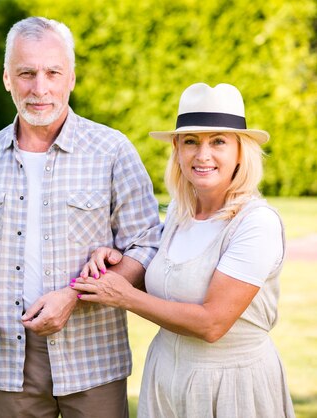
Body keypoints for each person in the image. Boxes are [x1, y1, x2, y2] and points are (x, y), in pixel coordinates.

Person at [0, 16, 162, 418]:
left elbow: (146, 244)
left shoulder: (112, 150)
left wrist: (74, 297)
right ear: (7, 78)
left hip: (93, 356)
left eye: (52, 72)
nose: (39, 88)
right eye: (26, 73)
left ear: (71, 78)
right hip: (7, 355)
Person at [73, 82, 295, 417]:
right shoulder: (181, 213)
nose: (202, 155)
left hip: (230, 388)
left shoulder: (255, 223)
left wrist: (124, 296)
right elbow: (172, 284)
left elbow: (212, 324)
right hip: (167, 378)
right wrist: (113, 261)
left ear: (240, 151)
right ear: (177, 150)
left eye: (218, 142)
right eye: (190, 142)